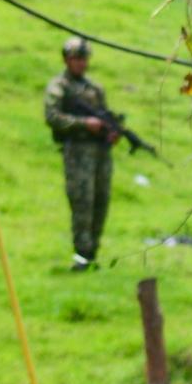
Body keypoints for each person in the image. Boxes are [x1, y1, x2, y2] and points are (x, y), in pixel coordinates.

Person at [42, 34, 121, 270]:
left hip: (100, 152)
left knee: (101, 200)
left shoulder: (95, 88)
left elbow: (105, 116)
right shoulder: (59, 87)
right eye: (77, 59)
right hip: (77, 151)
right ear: (67, 60)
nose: (81, 63)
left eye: (84, 59)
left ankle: (92, 253)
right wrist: (84, 124)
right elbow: (53, 117)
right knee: (82, 201)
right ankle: (82, 255)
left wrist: (111, 132)